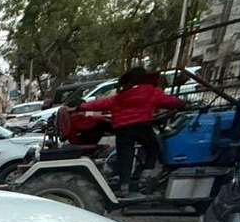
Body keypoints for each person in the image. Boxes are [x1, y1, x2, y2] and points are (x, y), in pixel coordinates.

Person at [79, 67, 186, 195]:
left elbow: (102, 104)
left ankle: (124, 186)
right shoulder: (150, 91)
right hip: (142, 126)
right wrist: (183, 103)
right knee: (153, 148)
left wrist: (81, 107)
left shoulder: (121, 96)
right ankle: (146, 175)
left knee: (125, 157)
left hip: (122, 129)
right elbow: (169, 101)